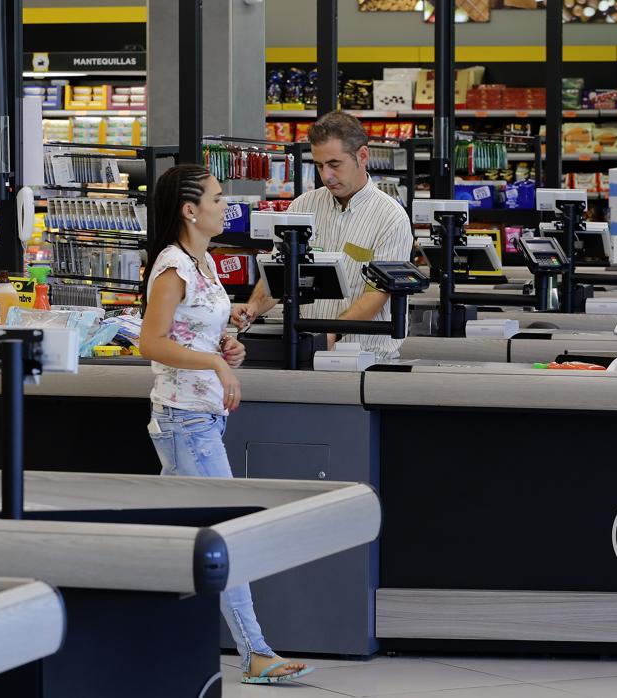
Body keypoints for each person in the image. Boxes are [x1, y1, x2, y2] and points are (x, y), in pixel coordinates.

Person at [138, 163, 313, 686]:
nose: (226, 204)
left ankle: (141, 635)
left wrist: (225, 345)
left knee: (177, 539)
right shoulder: (172, 267)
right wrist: (214, 363)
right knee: (227, 534)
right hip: (184, 419)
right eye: (217, 197)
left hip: (202, 416)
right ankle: (256, 653)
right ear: (190, 210)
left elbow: (193, 333)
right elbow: (152, 342)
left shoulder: (204, 262)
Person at [232, 111, 414, 360]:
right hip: (304, 348)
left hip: (366, 357)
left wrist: (331, 333)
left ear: (362, 156)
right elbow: (279, 272)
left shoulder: (391, 217)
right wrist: (253, 308)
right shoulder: (302, 206)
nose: (326, 176)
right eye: (319, 166)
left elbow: (377, 294)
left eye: (335, 164)